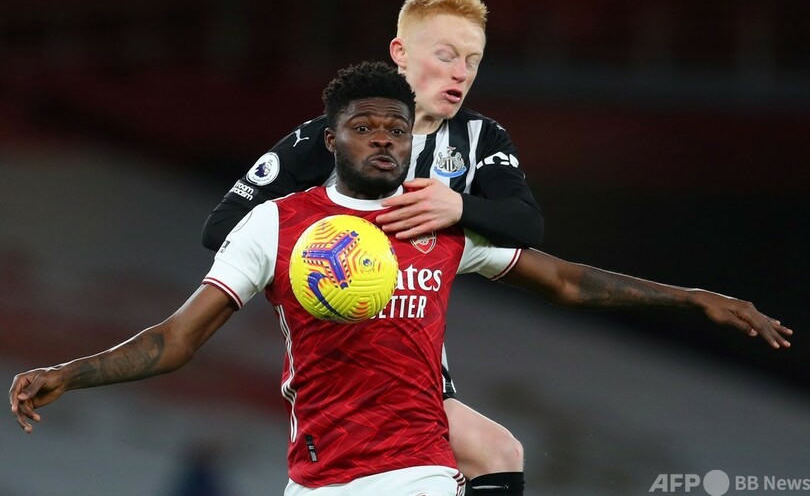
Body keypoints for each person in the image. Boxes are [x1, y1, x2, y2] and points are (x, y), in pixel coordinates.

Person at [10, 62, 792, 495]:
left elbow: (565, 282)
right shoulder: (278, 225)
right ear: (331, 140)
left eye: (396, 128)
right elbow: (177, 340)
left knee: (498, 450)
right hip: (316, 478)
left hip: (418, 467)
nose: (384, 139)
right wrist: (71, 372)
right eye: (365, 128)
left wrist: (690, 297)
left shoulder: (436, 218)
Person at [201, 0, 540, 493]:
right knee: (486, 452)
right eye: (446, 55)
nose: (460, 73)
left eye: (473, 61)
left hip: (411, 340)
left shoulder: (479, 137)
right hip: (338, 338)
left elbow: (527, 224)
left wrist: (459, 207)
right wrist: (330, 248)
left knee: (498, 452)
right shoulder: (333, 135)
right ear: (400, 52)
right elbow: (222, 226)